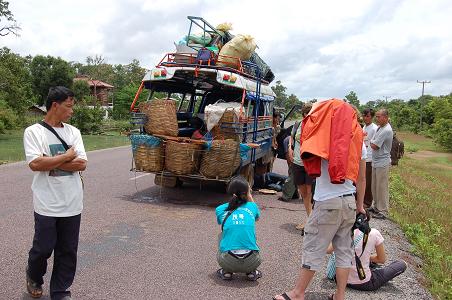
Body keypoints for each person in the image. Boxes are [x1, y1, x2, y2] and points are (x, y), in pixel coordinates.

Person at [274, 102, 366, 300]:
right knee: (343, 251)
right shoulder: (360, 140)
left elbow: (307, 154)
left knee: (314, 246)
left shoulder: (324, 138)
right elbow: (362, 178)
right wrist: (360, 206)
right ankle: (340, 295)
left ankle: (298, 293)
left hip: (327, 202)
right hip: (349, 202)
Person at [23, 86, 87, 300]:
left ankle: (60, 291)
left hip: (72, 202)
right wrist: (67, 156)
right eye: (68, 106)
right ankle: (33, 276)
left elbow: (82, 164)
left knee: (67, 251)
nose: (72, 111)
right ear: (54, 105)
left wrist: (50, 161)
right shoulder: (33, 132)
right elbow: (35, 164)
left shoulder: (73, 132)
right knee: (43, 248)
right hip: (46, 203)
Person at [327, 210, 407, 291]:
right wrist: (365, 257)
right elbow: (381, 259)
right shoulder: (374, 233)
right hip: (364, 282)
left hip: (339, 279)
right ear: (367, 219)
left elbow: (328, 250)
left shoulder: (345, 230)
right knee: (402, 264)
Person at [215, 176, 262, 281]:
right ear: (247, 193)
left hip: (227, 261)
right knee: (249, 234)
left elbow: (221, 223)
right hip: (252, 261)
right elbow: (257, 218)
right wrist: (249, 195)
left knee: (222, 235)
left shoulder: (220, 209)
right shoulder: (252, 207)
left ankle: (227, 272)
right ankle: (251, 272)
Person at [288, 104, 314, 232]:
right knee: (303, 193)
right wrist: (290, 148)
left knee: (310, 192)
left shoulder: (316, 125)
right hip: (298, 162)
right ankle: (310, 218)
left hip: (311, 163)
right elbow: (291, 138)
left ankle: (312, 221)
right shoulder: (298, 124)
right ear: (304, 114)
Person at [370, 109, 393, 219]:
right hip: (376, 161)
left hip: (382, 162)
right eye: (377, 116)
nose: (377, 118)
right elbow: (373, 141)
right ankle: (376, 207)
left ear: (385, 117)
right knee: (375, 186)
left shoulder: (386, 130)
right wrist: (371, 141)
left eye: (379, 116)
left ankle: (383, 211)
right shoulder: (380, 127)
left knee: (382, 187)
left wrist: (370, 141)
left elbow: (374, 145)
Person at [362, 108, 378, 209]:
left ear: (371, 117)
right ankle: (362, 199)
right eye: (364, 116)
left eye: (367, 116)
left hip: (370, 157)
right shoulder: (364, 127)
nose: (365, 118)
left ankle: (368, 202)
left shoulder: (374, 128)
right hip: (363, 156)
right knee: (362, 179)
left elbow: (374, 143)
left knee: (368, 181)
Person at [278, 135, 298, 202]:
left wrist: (290, 165)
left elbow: (289, 159)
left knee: (292, 174)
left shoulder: (286, 140)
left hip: (297, 157)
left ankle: (286, 196)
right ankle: (294, 194)